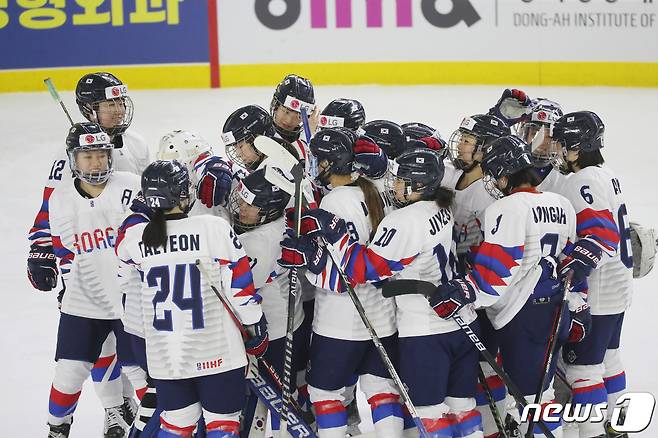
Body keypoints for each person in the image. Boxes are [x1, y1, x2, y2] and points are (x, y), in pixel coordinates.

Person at [282, 146, 485, 438]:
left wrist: (335, 234)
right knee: (461, 405)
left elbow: (361, 270)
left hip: (425, 329)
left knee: (428, 412)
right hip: (459, 319)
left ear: (419, 184)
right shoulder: (443, 207)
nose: (395, 184)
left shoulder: (404, 221)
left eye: (402, 179)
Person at [428, 135, 592, 438]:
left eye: (493, 175)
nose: (492, 181)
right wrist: (580, 303)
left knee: (534, 402)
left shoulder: (507, 209)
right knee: (541, 396)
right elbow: (570, 260)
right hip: (556, 306)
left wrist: (467, 291)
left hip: (523, 314)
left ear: (504, 176)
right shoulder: (561, 204)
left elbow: (498, 273)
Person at [28, 72, 150, 430]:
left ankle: (132, 406)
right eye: (107, 104)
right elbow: (50, 209)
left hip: (128, 262)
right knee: (100, 344)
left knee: (132, 348)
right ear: (88, 109)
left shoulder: (137, 144)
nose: (116, 110)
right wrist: (42, 250)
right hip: (90, 258)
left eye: (118, 102)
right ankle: (115, 406)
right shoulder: (67, 157)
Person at [116, 160, 267, 438]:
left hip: (167, 356)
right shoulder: (213, 228)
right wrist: (256, 329)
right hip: (218, 352)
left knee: (177, 424)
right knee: (223, 425)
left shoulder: (134, 239)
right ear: (183, 193)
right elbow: (241, 290)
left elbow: (125, 282)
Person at [279, 127, 403, 438]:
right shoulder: (380, 193)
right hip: (384, 317)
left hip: (339, 322)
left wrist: (306, 258)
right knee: (382, 391)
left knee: (325, 395)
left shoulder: (333, 203)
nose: (314, 166)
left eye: (318, 160)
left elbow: (335, 274)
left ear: (331, 163)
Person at [551, 111, 633, 438]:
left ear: (577, 146)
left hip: (598, 292)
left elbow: (601, 234)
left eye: (564, 145)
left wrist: (575, 265)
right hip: (619, 288)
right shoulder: (605, 173)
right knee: (609, 359)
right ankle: (617, 427)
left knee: (582, 370)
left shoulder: (581, 179)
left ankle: (593, 433)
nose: (559, 151)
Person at [227, 169, 312, 436]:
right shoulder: (283, 221)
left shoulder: (257, 243)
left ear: (267, 211)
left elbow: (234, 289)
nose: (240, 207)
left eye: (249, 204)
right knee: (286, 397)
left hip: (269, 333)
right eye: (241, 199)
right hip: (291, 321)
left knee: (270, 401)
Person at [445, 114, 511, 437]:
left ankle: (491, 429)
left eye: (469, 141)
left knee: (485, 365)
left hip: (480, 294)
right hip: (454, 290)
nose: (461, 143)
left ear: (485, 149)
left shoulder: (490, 197)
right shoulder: (453, 177)